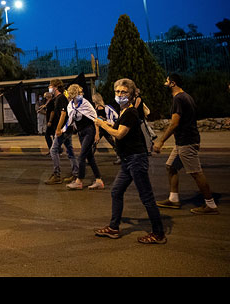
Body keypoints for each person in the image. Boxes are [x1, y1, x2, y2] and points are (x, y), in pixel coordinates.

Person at [94, 78, 167, 244]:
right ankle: (113, 228)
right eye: (117, 92)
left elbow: (119, 134)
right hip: (128, 160)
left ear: (132, 94)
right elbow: (120, 128)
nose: (120, 95)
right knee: (116, 191)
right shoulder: (123, 112)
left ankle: (158, 233)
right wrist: (109, 123)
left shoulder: (131, 112)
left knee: (146, 197)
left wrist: (102, 124)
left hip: (136, 159)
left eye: (124, 92)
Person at [153, 74, 219, 215]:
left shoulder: (179, 98)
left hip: (187, 142)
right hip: (182, 142)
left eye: (167, 81)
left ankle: (211, 205)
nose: (165, 83)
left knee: (196, 173)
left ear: (173, 83)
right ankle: (174, 199)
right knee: (171, 166)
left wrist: (161, 141)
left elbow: (174, 123)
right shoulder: (186, 96)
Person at [63, 85, 104, 190]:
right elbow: (71, 119)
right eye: (78, 93)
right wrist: (64, 129)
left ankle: (79, 181)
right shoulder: (70, 106)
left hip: (89, 131)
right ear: (73, 95)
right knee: (89, 157)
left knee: (81, 156)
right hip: (81, 132)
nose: (81, 95)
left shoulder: (85, 103)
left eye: (81, 93)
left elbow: (95, 117)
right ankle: (99, 180)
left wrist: (97, 133)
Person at [45, 79, 78, 184]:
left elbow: (63, 114)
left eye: (50, 85)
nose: (49, 87)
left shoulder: (61, 98)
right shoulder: (58, 98)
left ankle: (57, 174)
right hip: (66, 129)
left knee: (53, 150)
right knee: (70, 151)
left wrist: (58, 129)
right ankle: (76, 173)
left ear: (55, 87)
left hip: (64, 129)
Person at [92, 92, 120, 164]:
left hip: (106, 129)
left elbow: (116, 117)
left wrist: (111, 124)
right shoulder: (96, 110)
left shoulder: (106, 108)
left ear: (95, 100)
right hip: (102, 129)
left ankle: (121, 157)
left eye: (93, 99)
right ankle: (90, 159)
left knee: (113, 143)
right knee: (94, 143)